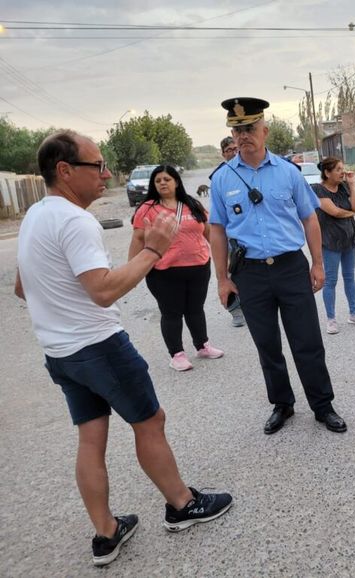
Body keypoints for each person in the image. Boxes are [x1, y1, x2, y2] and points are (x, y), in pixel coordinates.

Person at [14, 131, 232, 567]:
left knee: (90, 439)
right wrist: (153, 249)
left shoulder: (36, 215)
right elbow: (103, 291)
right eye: (97, 166)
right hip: (98, 346)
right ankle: (181, 505)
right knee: (150, 421)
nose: (106, 174)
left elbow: (23, 288)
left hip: (61, 353)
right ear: (65, 170)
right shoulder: (76, 221)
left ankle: (106, 533)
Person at [209, 97, 347, 434]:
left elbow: (310, 220)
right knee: (267, 344)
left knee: (307, 340)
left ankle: (322, 405)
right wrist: (222, 278)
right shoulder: (222, 179)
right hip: (250, 273)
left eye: (250, 128)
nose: (243, 135)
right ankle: (282, 404)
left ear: (264, 130)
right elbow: (217, 230)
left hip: (289, 267)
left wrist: (317, 263)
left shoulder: (288, 173)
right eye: (237, 129)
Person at [128, 165, 224, 371]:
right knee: (171, 313)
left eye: (167, 179)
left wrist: (222, 260)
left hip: (199, 267)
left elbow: (208, 232)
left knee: (196, 309)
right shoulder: (147, 209)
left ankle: (202, 345)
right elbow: (137, 239)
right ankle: (177, 354)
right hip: (164, 272)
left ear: (176, 182)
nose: (162, 183)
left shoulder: (192, 204)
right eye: (158, 180)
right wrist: (131, 271)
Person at [311, 156, 355, 334]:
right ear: (327, 172)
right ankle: (331, 319)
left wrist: (352, 185)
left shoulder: (344, 187)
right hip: (330, 241)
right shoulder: (318, 189)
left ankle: (354, 313)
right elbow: (334, 212)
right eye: (338, 169)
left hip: (349, 238)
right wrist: (350, 213)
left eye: (342, 168)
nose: (342, 172)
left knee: (349, 277)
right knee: (330, 280)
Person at [210, 136, 246, 327]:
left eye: (235, 148)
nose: (233, 152)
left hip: (248, 240)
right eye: (229, 150)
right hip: (231, 240)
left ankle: (249, 306)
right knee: (230, 276)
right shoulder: (219, 177)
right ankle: (236, 311)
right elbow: (217, 221)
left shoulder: (249, 172)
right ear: (223, 154)